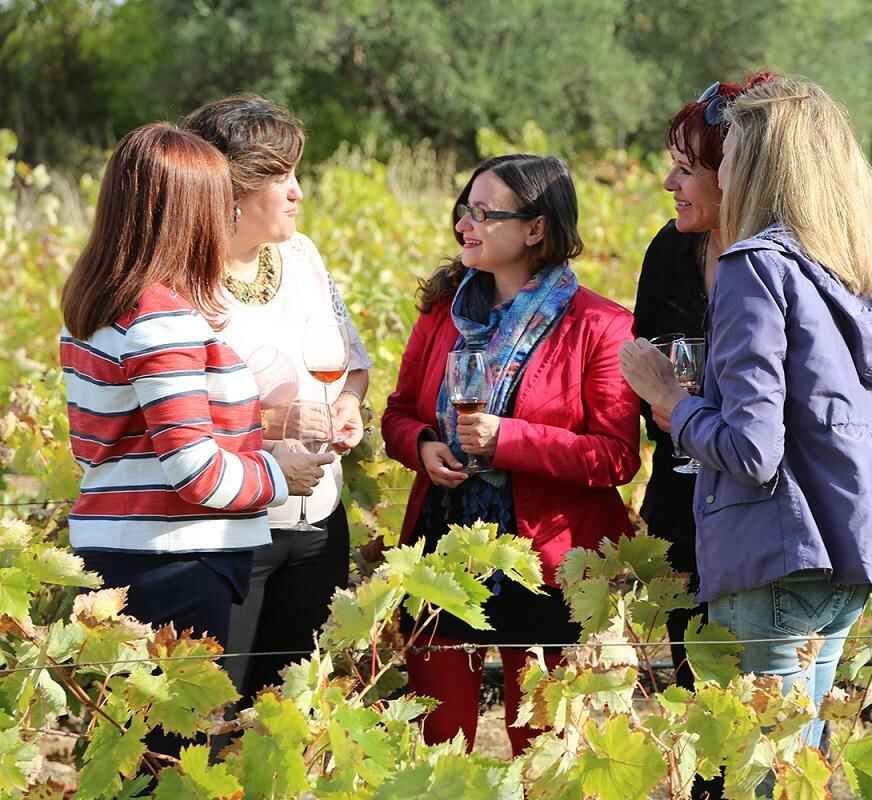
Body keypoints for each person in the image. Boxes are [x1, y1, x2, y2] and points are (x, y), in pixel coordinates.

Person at [621, 77, 872, 780]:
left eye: (728, 156)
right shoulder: (862, 272)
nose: (714, 169)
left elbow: (753, 453)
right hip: (849, 568)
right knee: (803, 770)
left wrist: (671, 402)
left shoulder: (753, 269)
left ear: (758, 165)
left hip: (772, 565)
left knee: (762, 776)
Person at [58, 123, 331, 756]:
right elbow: (195, 472)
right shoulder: (162, 318)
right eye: (213, 201)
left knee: (134, 754)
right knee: (175, 761)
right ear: (186, 212)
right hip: (177, 566)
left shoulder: (98, 306)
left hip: (126, 555)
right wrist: (276, 473)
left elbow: (102, 448)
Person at [378, 154, 641, 755]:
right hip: (442, 552)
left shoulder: (601, 326)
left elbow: (615, 458)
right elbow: (396, 413)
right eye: (463, 210)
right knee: (436, 751)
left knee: (543, 754)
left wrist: (509, 441)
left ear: (536, 228)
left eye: (484, 212)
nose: (466, 224)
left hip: (547, 563)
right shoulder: (443, 311)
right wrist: (421, 446)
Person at [180, 95, 372, 703]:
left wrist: (347, 408)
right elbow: (170, 418)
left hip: (318, 522)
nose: (298, 193)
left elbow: (352, 365)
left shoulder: (303, 256)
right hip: (227, 531)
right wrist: (276, 419)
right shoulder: (180, 283)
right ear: (231, 188)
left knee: (286, 718)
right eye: (281, 176)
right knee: (208, 718)